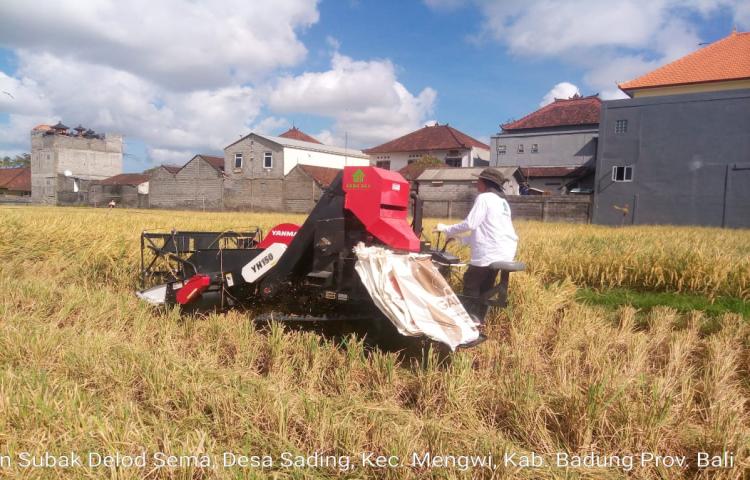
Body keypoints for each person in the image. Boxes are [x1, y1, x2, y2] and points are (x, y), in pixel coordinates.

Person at [435, 167, 519, 323]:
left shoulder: (484, 198)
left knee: (470, 282)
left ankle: (469, 320)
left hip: (489, 252)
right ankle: (479, 318)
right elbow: (487, 231)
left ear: (485, 183)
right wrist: (460, 239)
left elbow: (470, 224)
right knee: (486, 285)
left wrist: (446, 229)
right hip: (505, 251)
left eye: (478, 181)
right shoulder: (502, 202)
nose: (476, 183)